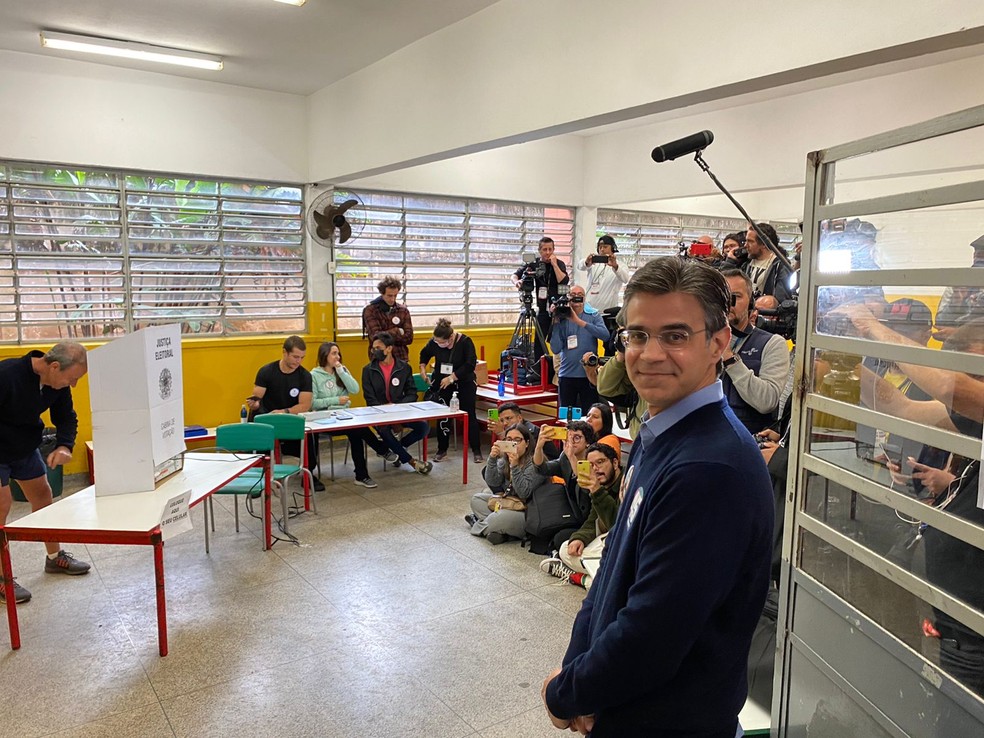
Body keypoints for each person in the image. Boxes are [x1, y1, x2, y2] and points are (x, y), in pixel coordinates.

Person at [541, 256, 774, 737]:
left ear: (719, 342)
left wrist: (564, 693)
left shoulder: (708, 467)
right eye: (638, 335)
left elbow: (652, 635)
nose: (648, 354)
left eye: (675, 336)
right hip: (624, 709)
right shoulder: (661, 433)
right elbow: (612, 580)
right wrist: (577, 675)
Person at [0, 342, 92, 605]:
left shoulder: (56, 384)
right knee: (1, 505)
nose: (73, 385)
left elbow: (66, 416)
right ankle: (2, 579)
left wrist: (64, 444)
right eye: (73, 378)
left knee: (42, 496)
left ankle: (55, 559)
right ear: (54, 366)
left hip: (23, 446)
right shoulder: (7, 375)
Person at [311, 341, 395, 489]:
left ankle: (361, 476)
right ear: (325, 355)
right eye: (333, 353)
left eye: (338, 353)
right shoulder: (314, 375)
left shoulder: (341, 371)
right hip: (324, 420)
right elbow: (313, 403)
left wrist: (341, 372)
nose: (337, 356)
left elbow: (355, 389)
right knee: (357, 430)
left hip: (342, 416)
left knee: (356, 429)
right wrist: (336, 400)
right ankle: (381, 450)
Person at [539, 442, 622, 590]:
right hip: (604, 541)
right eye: (591, 465)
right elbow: (592, 520)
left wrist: (596, 491)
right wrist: (580, 538)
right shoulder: (601, 485)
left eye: (600, 462)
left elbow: (617, 525)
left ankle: (579, 577)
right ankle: (593, 578)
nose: (596, 469)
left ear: (615, 463)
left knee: (616, 571)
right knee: (566, 547)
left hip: (620, 542)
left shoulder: (625, 484)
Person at [246, 335, 324, 492]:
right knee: (258, 430)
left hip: (289, 421)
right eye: (295, 357)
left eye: (302, 357)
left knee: (311, 435)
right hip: (267, 422)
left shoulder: (304, 376)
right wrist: (255, 405)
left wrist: (285, 412)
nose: (298, 361)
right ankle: (259, 481)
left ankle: (308, 474)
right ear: (284, 352)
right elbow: (257, 400)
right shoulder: (266, 371)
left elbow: (305, 404)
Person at [720, 269, 790, 433]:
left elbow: (767, 401)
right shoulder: (701, 342)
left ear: (751, 303)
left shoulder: (772, 344)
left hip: (748, 442)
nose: (728, 303)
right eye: (721, 296)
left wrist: (730, 359)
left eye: (735, 296)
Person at [362, 332, 433, 475]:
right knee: (384, 431)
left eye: (378, 347)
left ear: (389, 349)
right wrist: (387, 414)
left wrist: (396, 411)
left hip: (401, 411)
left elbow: (412, 393)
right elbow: (370, 399)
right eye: (373, 348)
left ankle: (396, 449)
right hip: (378, 414)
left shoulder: (404, 368)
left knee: (423, 427)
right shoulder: (368, 370)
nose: (374, 351)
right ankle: (412, 462)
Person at [466, 424, 546, 545]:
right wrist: (492, 458)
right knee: (477, 500)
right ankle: (502, 533)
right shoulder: (505, 459)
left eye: (517, 440)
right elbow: (493, 482)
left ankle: (479, 524)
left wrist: (514, 466)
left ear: (527, 443)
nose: (513, 443)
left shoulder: (535, 462)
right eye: (509, 440)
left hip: (529, 512)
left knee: (499, 517)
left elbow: (524, 492)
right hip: (510, 503)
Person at [418, 318, 483, 463]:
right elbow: (425, 353)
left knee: (469, 415)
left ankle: (476, 450)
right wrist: (422, 367)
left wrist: (453, 377)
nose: (439, 344)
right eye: (437, 342)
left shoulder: (465, 342)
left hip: (464, 383)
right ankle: (442, 450)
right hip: (443, 383)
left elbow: (470, 364)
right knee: (444, 417)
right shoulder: (435, 342)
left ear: (451, 338)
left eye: (442, 342)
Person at [512, 237, 570, 373]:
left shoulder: (559, 264)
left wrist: (554, 264)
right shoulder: (534, 264)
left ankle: (561, 370)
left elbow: (564, 281)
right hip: (543, 309)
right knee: (539, 341)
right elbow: (515, 275)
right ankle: (538, 372)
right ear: (539, 251)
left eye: (550, 249)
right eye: (545, 249)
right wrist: (517, 282)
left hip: (558, 309)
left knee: (561, 340)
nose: (548, 252)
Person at [549, 285, 610, 414]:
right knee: (566, 415)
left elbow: (605, 336)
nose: (577, 297)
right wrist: (555, 322)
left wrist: (579, 322)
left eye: (580, 294)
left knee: (589, 414)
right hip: (566, 375)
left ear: (584, 297)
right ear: (568, 297)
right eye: (573, 294)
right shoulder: (562, 317)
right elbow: (555, 349)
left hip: (588, 374)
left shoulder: (593, 315)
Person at [362, 276, 414, 363]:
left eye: (395, 295)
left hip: (401, 359)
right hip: (379, 359)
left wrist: (385, 336)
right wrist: (398, 331)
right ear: (382, 293)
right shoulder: (370, 310)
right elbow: (375, 337)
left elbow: (409, 338)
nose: (392, 299)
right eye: (389, 295)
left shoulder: (403, 310)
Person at [487, 402, 559, 464]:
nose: (505, 423)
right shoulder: (511, 431)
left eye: (508, 418)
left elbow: (522, 454)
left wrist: (501, 434)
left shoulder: (532, 432)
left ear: (519, 418)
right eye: (502, 420)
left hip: (544, 466)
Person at [742, 222, 793, 302]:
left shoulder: (780, 266)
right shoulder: (746, 263)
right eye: (746, 241)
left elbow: (781, 298)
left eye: (750, 241)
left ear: (763, 244)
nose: (745, 245)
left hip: (766, 312)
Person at [577, 234, 628, 313]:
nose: (602, 249)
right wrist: (587, 262)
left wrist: (615, 266)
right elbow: (580, 266)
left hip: (608, 309)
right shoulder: (593, 263)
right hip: (590, 308)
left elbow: (625, 279)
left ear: (612, 248)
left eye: (605, 247)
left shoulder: (620, 265)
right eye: (600, 247)